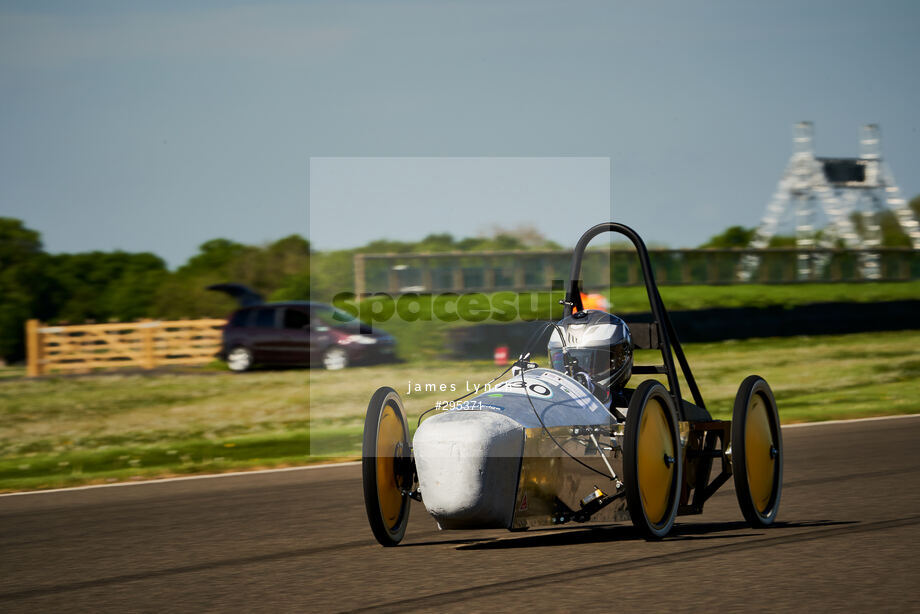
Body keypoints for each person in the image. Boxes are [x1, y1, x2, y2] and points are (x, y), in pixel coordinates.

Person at [547, 309, 633, 410]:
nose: (578, 377)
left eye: (598, 364)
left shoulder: (635, 406)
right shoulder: (549, 404)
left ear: (621, 359)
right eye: (562, 362)